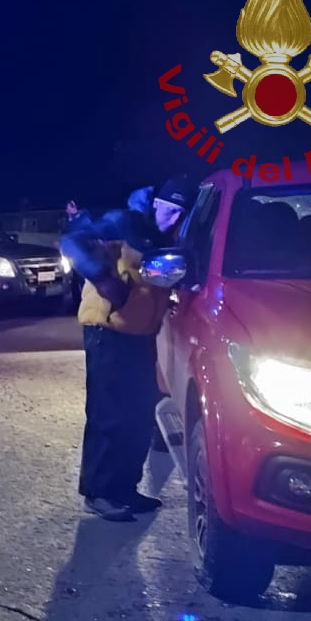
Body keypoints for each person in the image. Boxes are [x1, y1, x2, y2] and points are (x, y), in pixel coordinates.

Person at [64, 176, 192, 520]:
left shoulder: (168, 238)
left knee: (137, 415)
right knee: (109, 415)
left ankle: (124, 489)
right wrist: (106, 282)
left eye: (181, 212)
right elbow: (73, 243)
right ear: (155, 204)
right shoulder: (123, 222)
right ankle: (99, 493)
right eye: (169, 210)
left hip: (141, 334)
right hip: (107, 331)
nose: (174, 219)